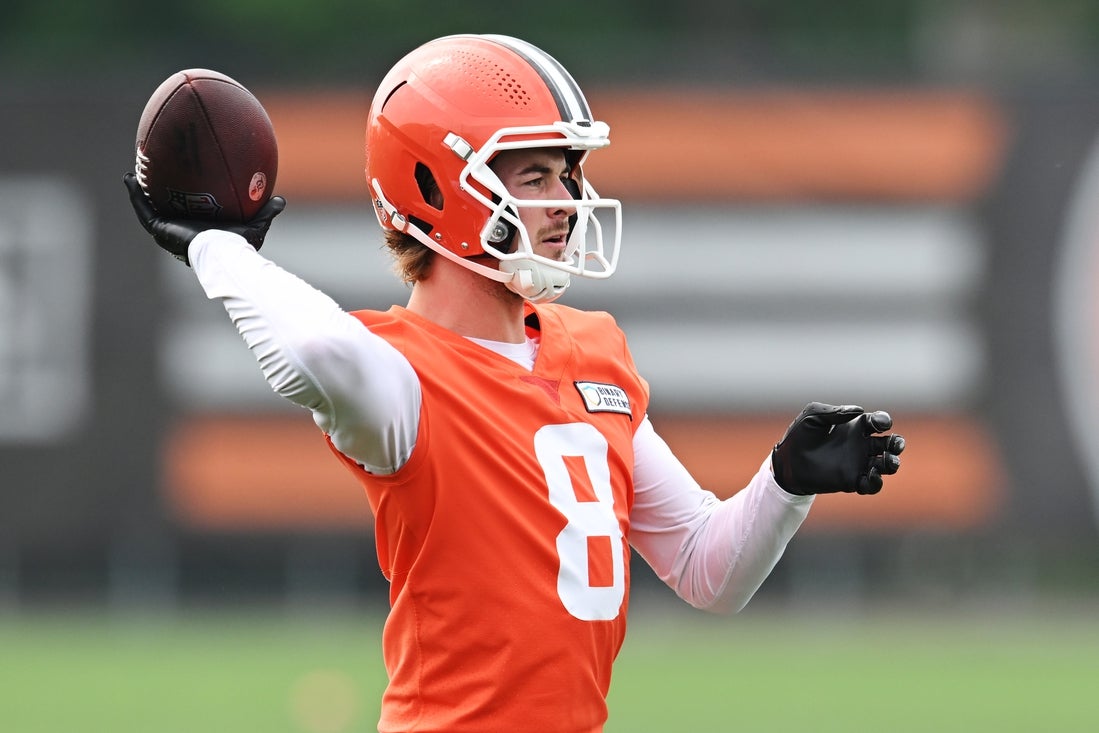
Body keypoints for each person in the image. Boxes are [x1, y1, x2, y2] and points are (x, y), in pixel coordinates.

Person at [124, 33, 905, 733]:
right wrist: (218, 247)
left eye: (567, 174)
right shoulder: (402, 380)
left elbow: (708, 571)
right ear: (436, 189)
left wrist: (784, 481)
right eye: (535, 176)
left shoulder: (593, 351)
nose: (566, 203)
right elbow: (317, 349)